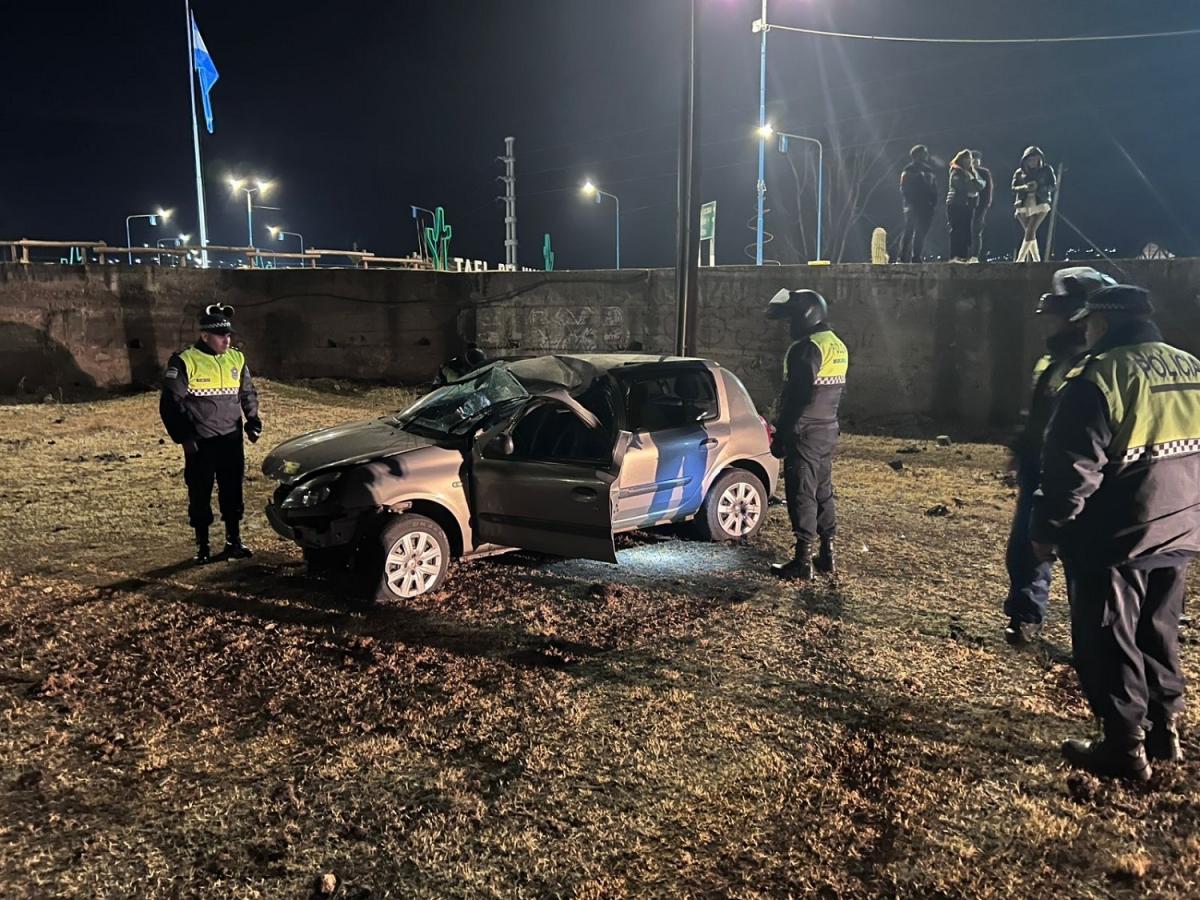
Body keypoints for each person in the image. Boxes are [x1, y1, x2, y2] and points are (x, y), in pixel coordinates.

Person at [1032, 283, 1200, 781]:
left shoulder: (1099, 377)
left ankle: (1124, 746)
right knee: (1159, 629)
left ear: (1102, 322)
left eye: (1087, 323)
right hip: (1180, 522)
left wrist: (1048, 527)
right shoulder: (1190, 366)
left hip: (1116, 532)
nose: (1084, 331)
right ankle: (1164, 731)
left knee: (1109, 635)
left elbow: (1072, 468)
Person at [1003, 267, 1114, 646]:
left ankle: (1094, 634)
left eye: (1055, 315)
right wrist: (1021, 448)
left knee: (1081, 554)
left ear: (1077, 317)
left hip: (1080, 471)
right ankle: (1025, 615)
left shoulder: (1096, 364)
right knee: (1025, 546)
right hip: (1039, 466)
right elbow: (1038, 410)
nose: (1047, 322)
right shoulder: (1051, 359)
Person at [160, 304, 262, 564]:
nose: (227, 340)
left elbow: (247, 392)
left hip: (231, 439)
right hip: (201, 442)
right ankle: (203, 545)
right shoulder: (184, 360)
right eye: (220, 336)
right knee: (200, 492)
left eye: (228, 335)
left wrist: (252, 419)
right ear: (205, 336)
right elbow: (171, 402)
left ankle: (233, 541)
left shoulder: (236, 358)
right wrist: (185, 438)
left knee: (233, 490)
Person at [765, 289, 849, 580]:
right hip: (827, 429)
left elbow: (798, 397)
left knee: (801, 492)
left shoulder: (806, 349)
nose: (789, 326)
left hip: (805, 432)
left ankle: (802, 561)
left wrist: (782, 435)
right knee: (823, 491)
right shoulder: (836, 344)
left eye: (790, 320)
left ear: (805, 316)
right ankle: (827, 553)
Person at [1012, 146, 1056, 262]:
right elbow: (1013, 187)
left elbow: (1052, 186)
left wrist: (1039, 187)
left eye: (1035, 160)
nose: (1032, 162)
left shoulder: (1046, 170)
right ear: (1025, 161)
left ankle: (1020, 259)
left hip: (1041, 202)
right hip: (1023, 204)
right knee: (1030, 232)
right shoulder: (1019, 172)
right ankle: (1037, 260)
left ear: (1039, 159)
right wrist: (1025, 187)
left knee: (1030, 230)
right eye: (1030, 160)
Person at [898, 145, 938, 263]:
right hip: (913, 205)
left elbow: (934, 188)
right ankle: (903, 257)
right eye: (924, 153)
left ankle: (916, 256)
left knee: (921, 232)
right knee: (909, 231)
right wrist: (909, 203)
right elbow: (904, 188)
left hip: (926, 206)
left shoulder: (929, 170)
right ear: (916, 155)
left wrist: (933, 203)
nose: (926, 155)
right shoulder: (909, 169)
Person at [946, 149, 983, 262]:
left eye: (970, 159)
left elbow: (981, 185)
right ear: (961, 160)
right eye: (967, 159)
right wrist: (971, 184)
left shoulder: (972, 172)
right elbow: (961, 186)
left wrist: (971, 181)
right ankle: (955, 255)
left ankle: (963, 255)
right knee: (957, 229)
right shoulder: (956, 171)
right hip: (956, 204)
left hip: (968, 205)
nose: (969, 162)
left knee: (966, 231)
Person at [969, 150, 993, 263]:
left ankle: (974, 256)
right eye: (972, 160)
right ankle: (965, 254)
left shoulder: (984, 172)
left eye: (976, 160)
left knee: (976, 229)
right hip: (966, 205)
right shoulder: (965, 172)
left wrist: (986, 204)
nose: (974, 162)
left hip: (980, 205)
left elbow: (988, 189)